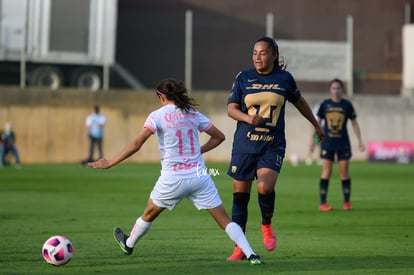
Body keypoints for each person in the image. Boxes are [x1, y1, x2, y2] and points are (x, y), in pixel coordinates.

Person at [88, 78, 264, 265]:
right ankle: (252, 254)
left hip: (172, 178)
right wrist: (198, 151)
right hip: (199, 177)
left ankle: (129, 244)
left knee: (148, 214)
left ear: (161, 96)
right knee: (225, 221)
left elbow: (137, 144)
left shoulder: (157, 115)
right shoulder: (192, 114)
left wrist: (111, 162)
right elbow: (219, 137)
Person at [226, 36, 324, 261]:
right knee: (240, 196)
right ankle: (240, 247)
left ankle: (266, 224)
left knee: (264, 187)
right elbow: (231, 109)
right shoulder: (243, 77)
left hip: (272, 144)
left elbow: (300, 103)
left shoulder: (285, 79)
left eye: (262, 52)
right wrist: (248, 119)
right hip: (244, 144)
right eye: (254, 53)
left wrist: (316, 125)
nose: (257, 57)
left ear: (274, 55)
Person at [313, 78, 365, 212]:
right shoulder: (325, 104)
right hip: (327, 143)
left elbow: (354, 123)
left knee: (344, 173)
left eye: (338, 88)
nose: (336, 90)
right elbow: (317, 124)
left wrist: (359, 141)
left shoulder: (347, 105)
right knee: (326, 171)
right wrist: (313, 141)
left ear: (342, 90)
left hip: (343, 143)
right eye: (333, 88)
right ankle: (323, 203)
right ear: (330, 90)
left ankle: (346, 202)